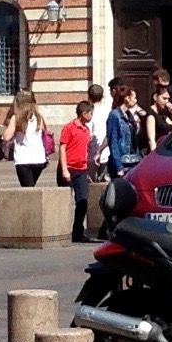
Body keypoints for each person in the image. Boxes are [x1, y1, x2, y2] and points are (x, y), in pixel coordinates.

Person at [58, 95, 98, 243]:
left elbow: (84, 151)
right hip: (68, 168)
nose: (91, 116)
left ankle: (77, 232)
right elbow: (62, 148)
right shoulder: (69, 128)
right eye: (90, 113)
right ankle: (60, 231)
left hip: (81, 170)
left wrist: (86, 170)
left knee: (82, 202)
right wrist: (64, 169)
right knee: (64, 202)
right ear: (84, 113)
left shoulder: (86, 130)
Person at [4, 92, 49, 186]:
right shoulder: (38, 117)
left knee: (28, 190)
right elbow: (44, 132)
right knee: (30, 187)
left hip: (23, 159)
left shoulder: (16, 118)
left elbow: (6, 136)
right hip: (39, 158)